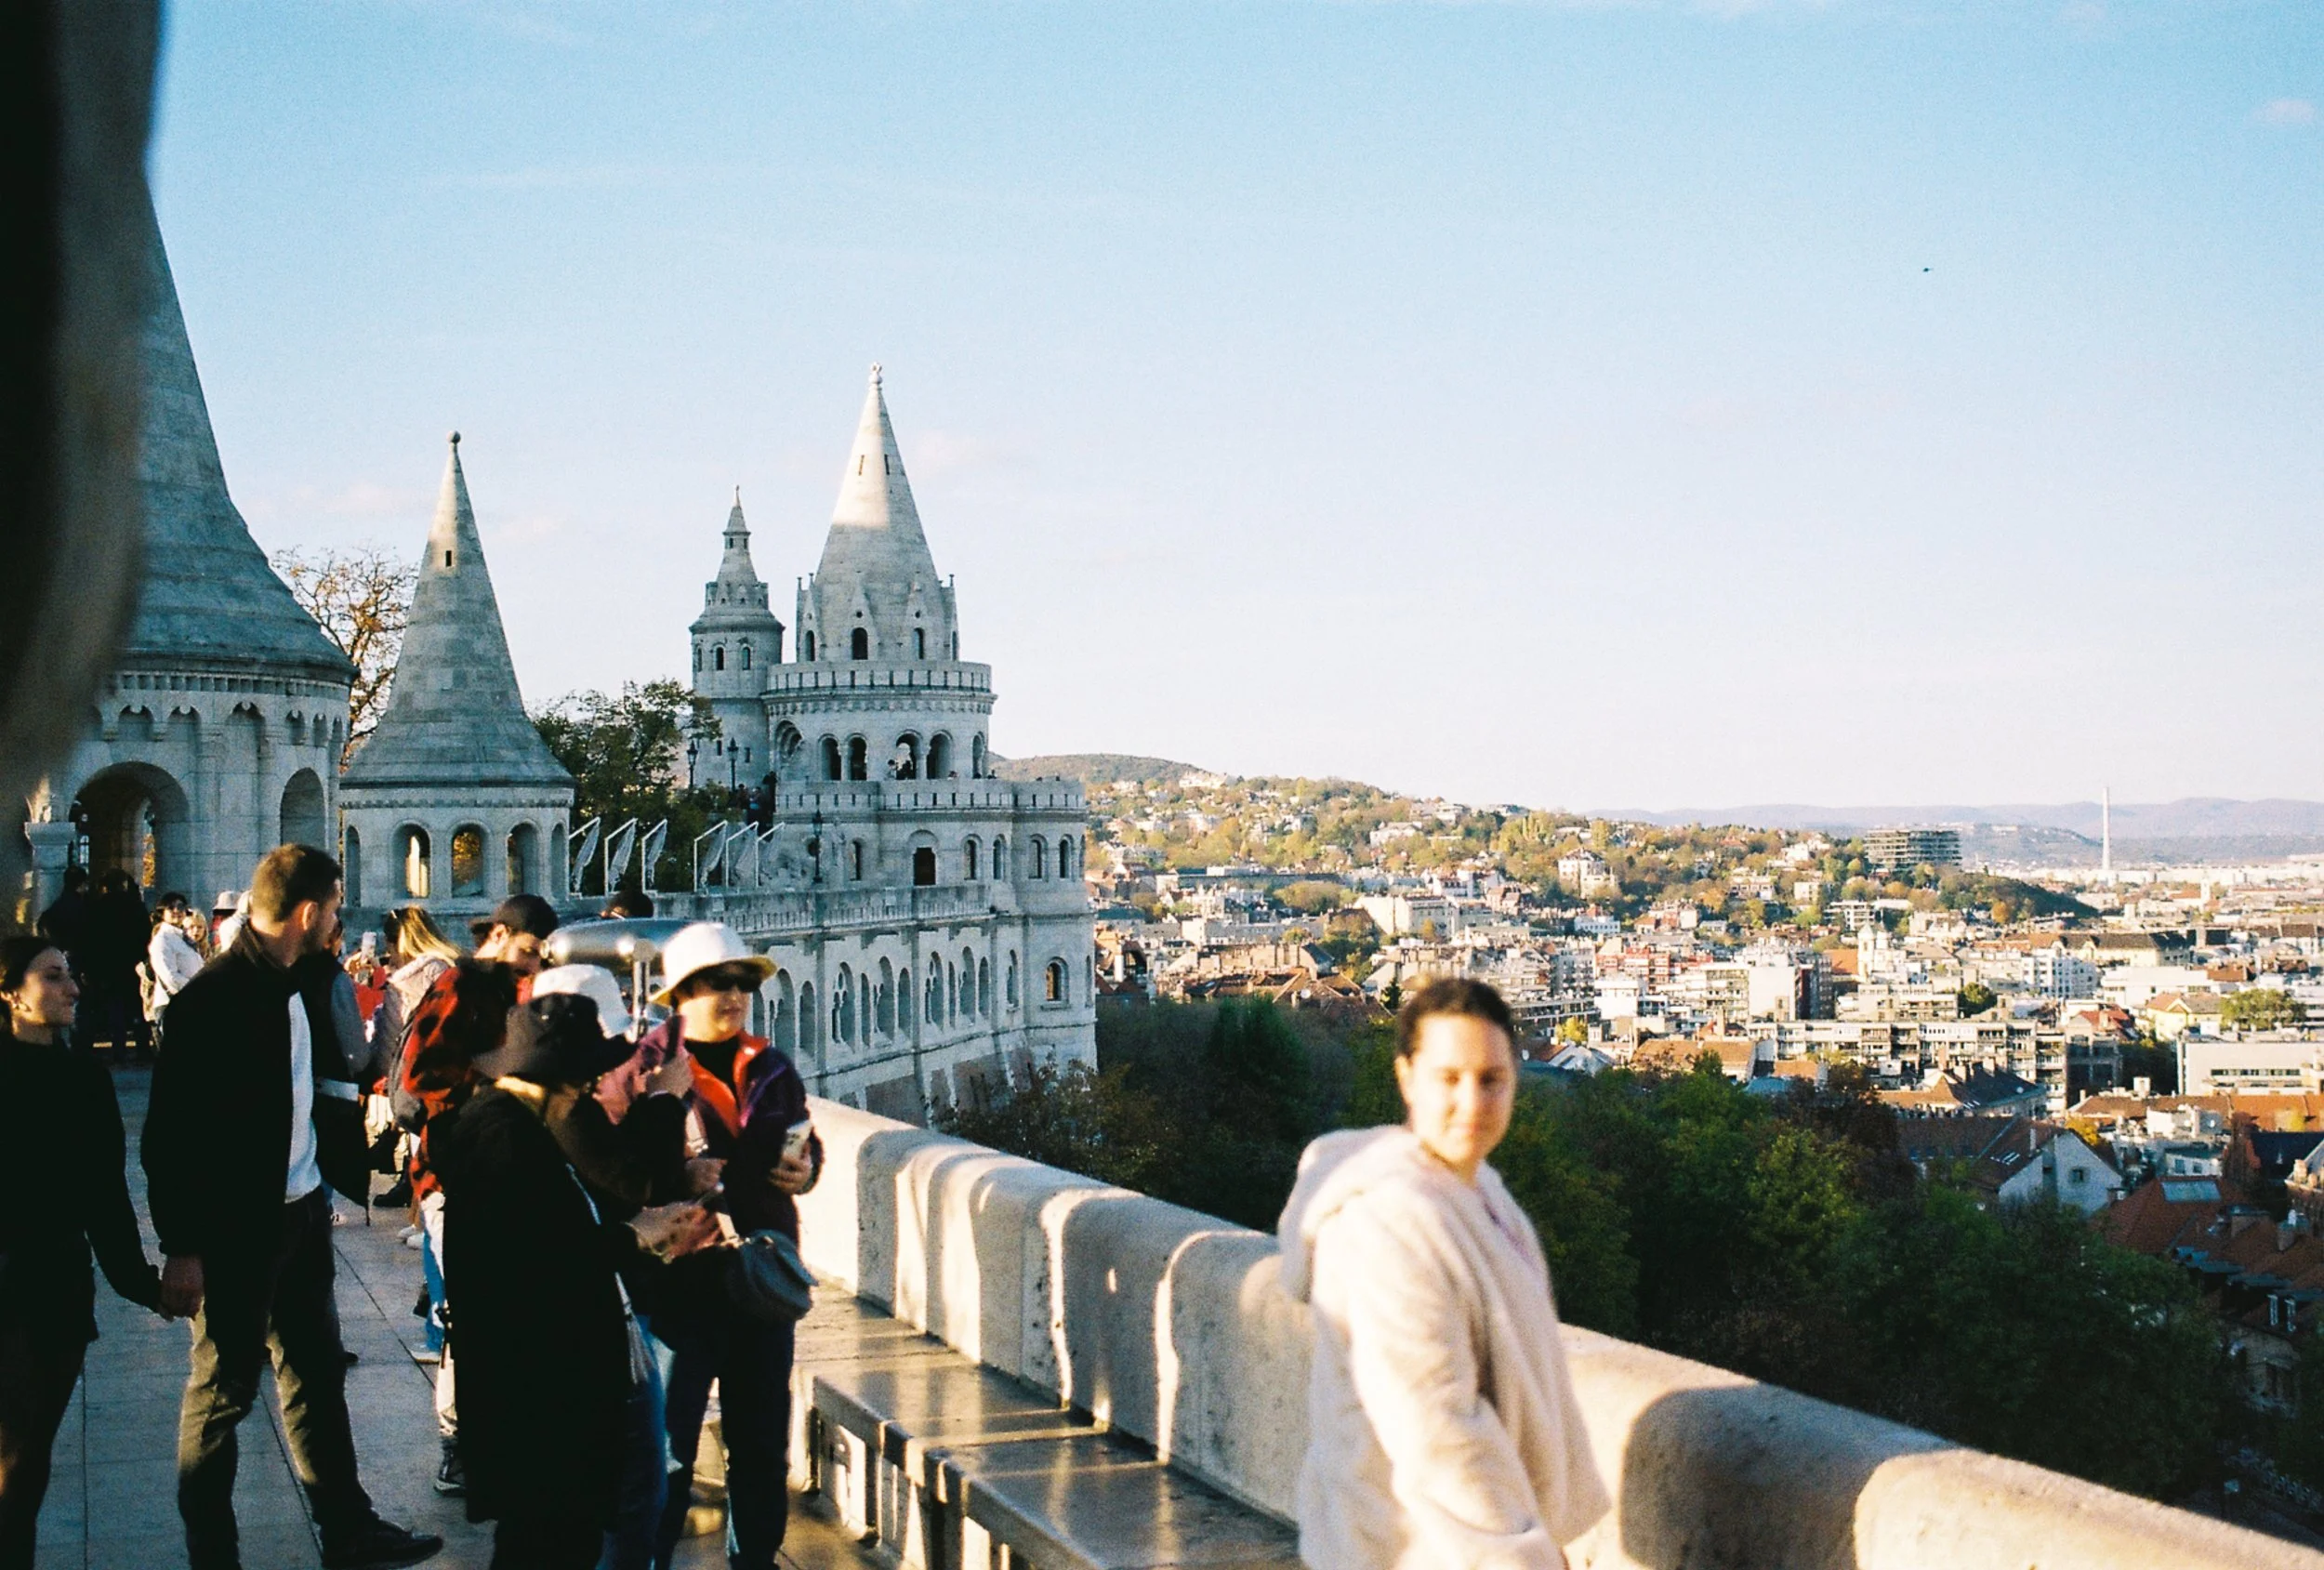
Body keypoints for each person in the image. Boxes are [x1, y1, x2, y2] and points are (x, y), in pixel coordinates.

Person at [141, 844, 442, 1570]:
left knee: (314, 1375)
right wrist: (184, 1246)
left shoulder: (306, 979)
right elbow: (169, 1137)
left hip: (302, 1210)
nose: (340, 921)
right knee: (221, 1394)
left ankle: (348, 1527)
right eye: (335, 909)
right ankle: (214, 1555)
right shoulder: (211, 1001)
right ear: (308, 912)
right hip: (236, 1228)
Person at [1276, 979, 1608, 1570]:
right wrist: (1523, 1555)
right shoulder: (1387, 1222)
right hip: (1411, 1547)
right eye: (1449, 1078)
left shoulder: (1479, 1191)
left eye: (1491, 1080)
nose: (1473, 1103)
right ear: (1406, 1078)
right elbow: (1438, 1426)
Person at [432, 992, 719, 1569]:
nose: (589, 1090)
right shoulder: (505, 1139)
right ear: (559, 1078)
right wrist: (638, 1233)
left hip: (536, 1393)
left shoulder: (507, 1127)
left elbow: (549, 1242)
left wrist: (641, 1231)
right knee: (550, 1543)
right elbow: (541, 1266)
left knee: (542, 1541)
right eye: (583, 1078)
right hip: (541, 1398)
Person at [612, 923, 817, 1570]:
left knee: (760, 1441)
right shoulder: (645, 1066)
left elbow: (802, 1139)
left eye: (742, 982)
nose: (733, 995)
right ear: (681, 993)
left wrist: (809, 1168)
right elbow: (618, 1169)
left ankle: (754, 1557)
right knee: (668, 1447)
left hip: (758, 1277)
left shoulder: (772, 1064)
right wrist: (675, 1177)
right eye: (715, 983)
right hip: (681, 1283)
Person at [0, 938, 165, 1570]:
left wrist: (141, 1283)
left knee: (32, 1449)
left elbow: (106, 1195)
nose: (71, 988)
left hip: (59, 1286)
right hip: (7, 1281)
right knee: (14, 1446)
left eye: (70, 975)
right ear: (11, 991)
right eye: (52, 976)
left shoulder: (83, 1079)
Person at [392, 894, 560, 1498]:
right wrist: (496, 1083)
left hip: (498, 1173)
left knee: (497, 1307)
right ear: (500, 934)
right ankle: (457, 1445)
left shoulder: (509, 986)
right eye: (527, 953)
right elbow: (417, 1081)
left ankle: (497, 1435)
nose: (532, 967)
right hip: (453, 1174)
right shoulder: (462, 983)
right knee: (468, 1312)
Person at [147, 894, 207, 1046]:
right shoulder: (162, 939)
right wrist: (196, 989)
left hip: (188, 1003)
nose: (176, 910)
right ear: (162, 912)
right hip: (171, 1005)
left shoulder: (182, 937)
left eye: (180, 907)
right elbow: (169, 976)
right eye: (171, 907)